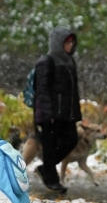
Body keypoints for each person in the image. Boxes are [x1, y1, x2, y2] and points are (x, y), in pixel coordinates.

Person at [33, 26, 82, 193]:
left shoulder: (70, 61)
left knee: (71, 140)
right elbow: (42, 89)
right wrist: (48, 113)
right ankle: (52, 180)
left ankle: (46, 169)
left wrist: (75, 112)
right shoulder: (46, 61)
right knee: (50, 145)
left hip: (66, 114)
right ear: (57, 43)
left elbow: (72, 90)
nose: (70, 45)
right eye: (67, 42)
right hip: (51, 114)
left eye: (72, 42)